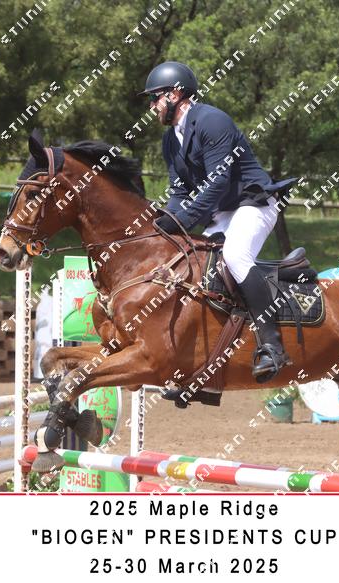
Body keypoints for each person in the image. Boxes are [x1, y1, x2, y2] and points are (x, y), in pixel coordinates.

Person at [141, 61, 297, 383]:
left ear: (175, 95)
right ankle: (204, 361)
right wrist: (167, 223)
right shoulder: (171, 140)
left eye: (155, 98)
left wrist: (184, 220)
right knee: (198, 267)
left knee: (235, 256)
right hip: (224, 212)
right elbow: (179, 190)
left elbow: (217, 182)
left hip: (253, 203)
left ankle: (272, 346)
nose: (152, 106)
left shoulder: (212, 121)